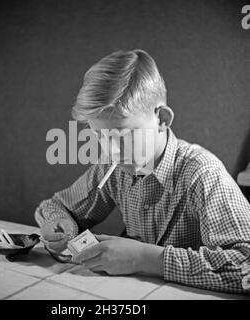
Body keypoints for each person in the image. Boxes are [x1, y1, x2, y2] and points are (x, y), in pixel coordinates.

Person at [35, 49, 250, 294]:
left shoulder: (203, 174)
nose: (112, 149)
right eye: (99, 134)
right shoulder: (113, 167)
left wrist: (146, 259)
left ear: (162, 120)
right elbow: (53, 207)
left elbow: (247, 267)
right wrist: (61, 226)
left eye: (123, 134)